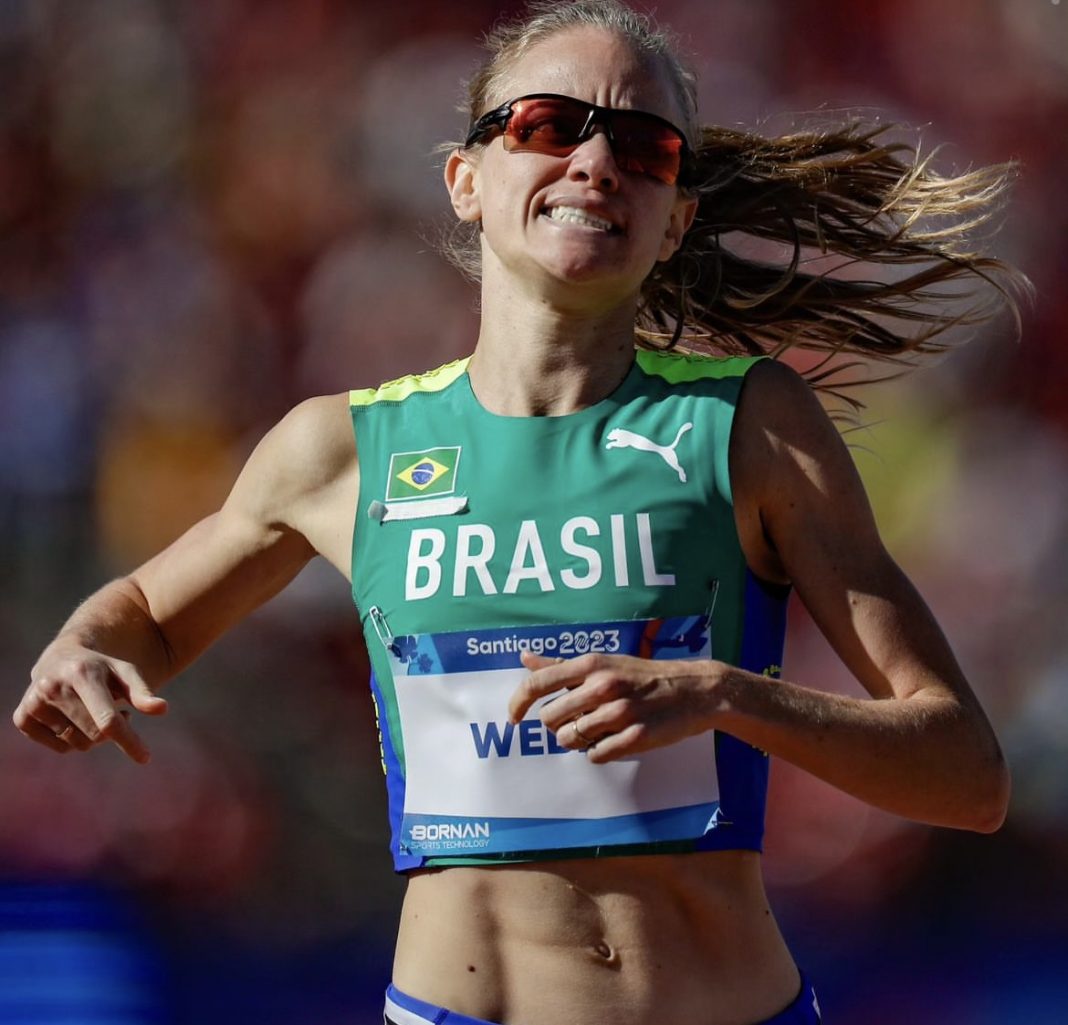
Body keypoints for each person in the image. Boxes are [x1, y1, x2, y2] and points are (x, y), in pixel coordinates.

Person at [14, 2, 1027, 1023]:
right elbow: (139, 616)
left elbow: (964, 774)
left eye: (644, 147)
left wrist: (723, 695)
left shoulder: (747, 426)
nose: (597, 162)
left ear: (676, 218)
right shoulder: (343, 451)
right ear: (466, 179)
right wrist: (81, 649)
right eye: (549, 124)